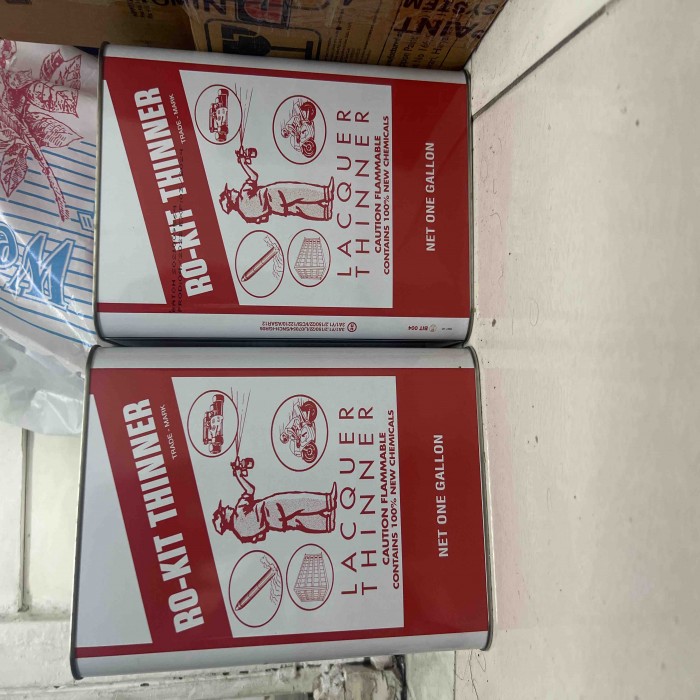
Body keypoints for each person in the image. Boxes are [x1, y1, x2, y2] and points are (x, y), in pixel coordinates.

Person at [212, 464, 337, 543]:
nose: (225, 508)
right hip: (271, 507)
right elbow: (250, 490)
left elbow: (260, 537)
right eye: (223, 511)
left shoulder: (240, 534)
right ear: (225, 520)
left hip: (273, 524)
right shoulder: (238, 511)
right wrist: (239, 476)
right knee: (300, 502)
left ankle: (327, 523)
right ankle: (328, 501)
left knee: (299, 522)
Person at [219, 150, 334, 223]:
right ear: (231, 200)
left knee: (299, 209)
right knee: (300, 192)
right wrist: (243, 164)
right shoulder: (243, 194)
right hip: (273, 194)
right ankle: (326, 193)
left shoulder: (245, 215)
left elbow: (264, 219)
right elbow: (254, 177)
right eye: (229, 193)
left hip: (275, 209)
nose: (231, 190)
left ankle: (325, 213)